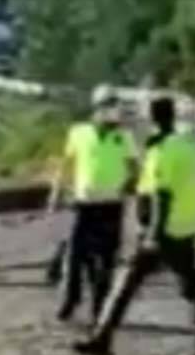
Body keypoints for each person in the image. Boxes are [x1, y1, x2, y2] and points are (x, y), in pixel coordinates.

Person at [73, 97, 195, 355]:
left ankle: (101, 340)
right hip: (185, 224)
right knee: (191, 288)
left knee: (125, 285)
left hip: (163, 229)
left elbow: (161, 195)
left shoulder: (162, 151)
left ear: (152, 119)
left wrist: (153, 234)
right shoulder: (189, 146)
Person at [49, 86, 137, 323]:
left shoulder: (123, 137)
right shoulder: (79, 133)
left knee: (106, 260)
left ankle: (100, 308)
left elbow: (133, 168)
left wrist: (130, 185)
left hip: (111, 205)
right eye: (107, 105)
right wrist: (56, 192)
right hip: (85, 203)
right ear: (96, 108)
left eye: (114, 106)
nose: (112, 111)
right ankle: (71, 298)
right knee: (75, 255)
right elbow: (66, 165)